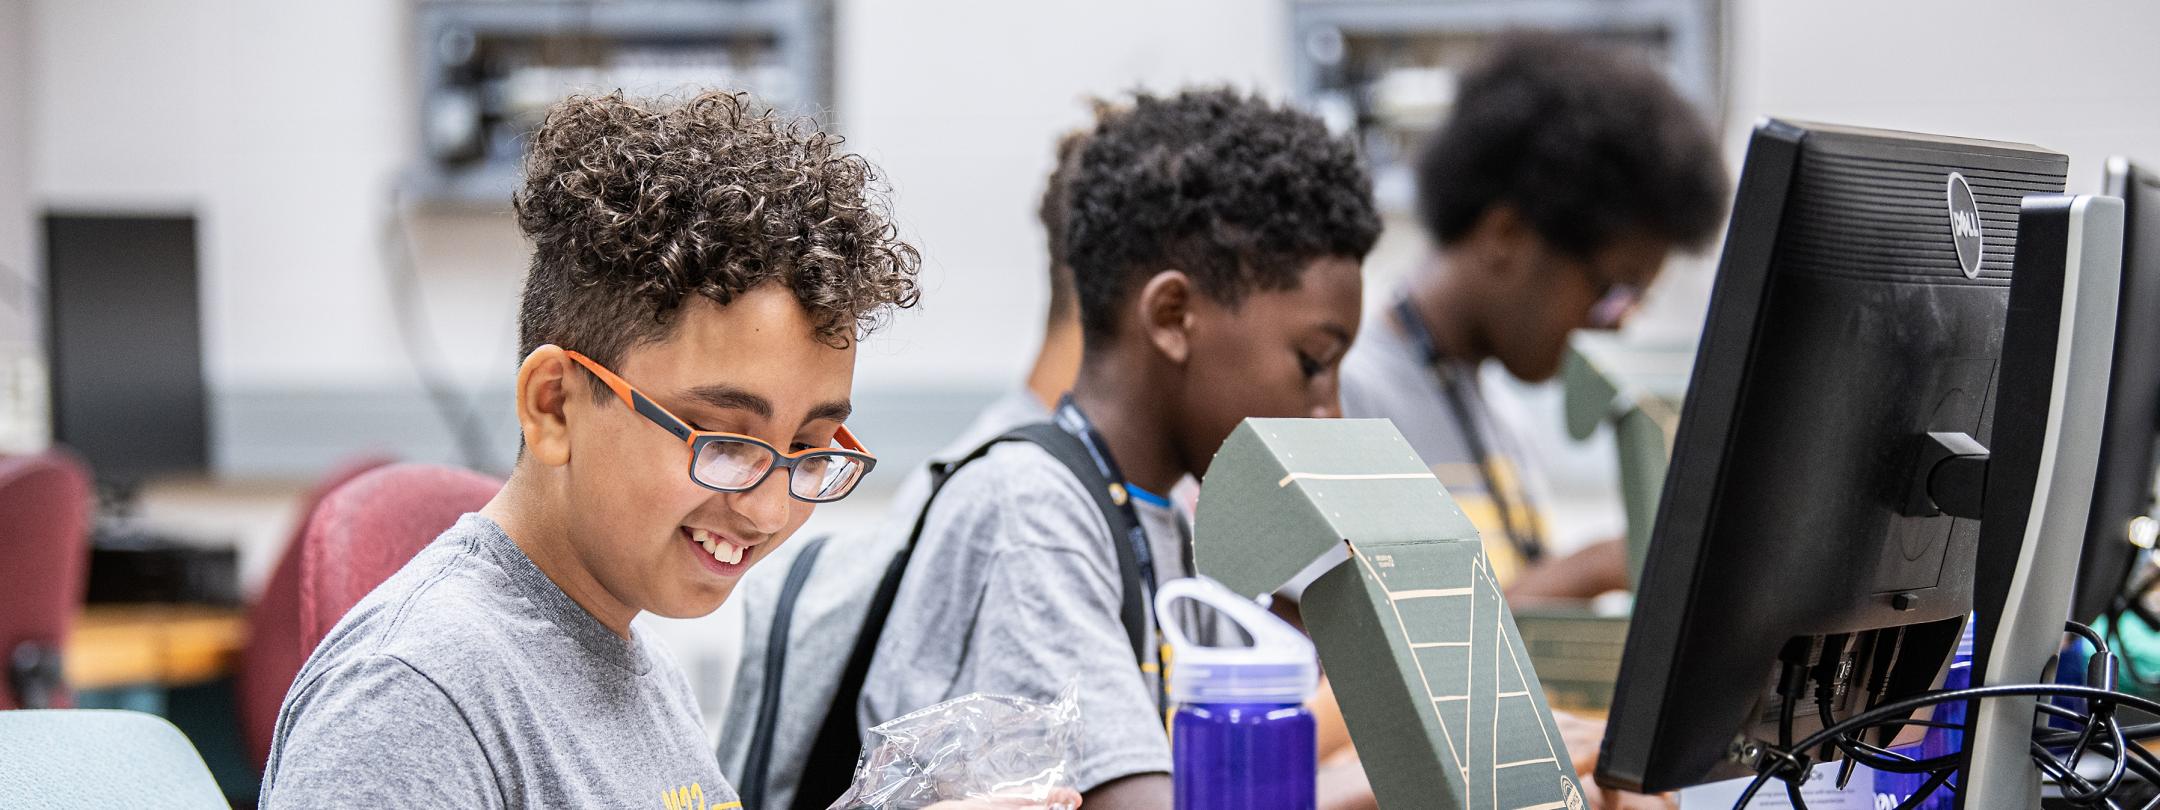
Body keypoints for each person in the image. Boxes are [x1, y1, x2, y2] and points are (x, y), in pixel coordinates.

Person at [261, 90, 921, 807]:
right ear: (554, 405)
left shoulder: (633, 662)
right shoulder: (409, 705)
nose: (767, 511)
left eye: (808, 446)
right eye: (725, 440)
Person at [860, 87, 1384, 810]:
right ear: (1173, 317)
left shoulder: (1162, 514)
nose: (1328, 413)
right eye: (1312, 362)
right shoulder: (1033, 512)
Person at [1339, 31, 1729, 603]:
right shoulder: (1344, 397)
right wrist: (1595, 570)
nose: (1618, 323)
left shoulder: (1500, 415)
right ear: (1507, 235)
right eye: (1611, 290)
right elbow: (1348, 679)